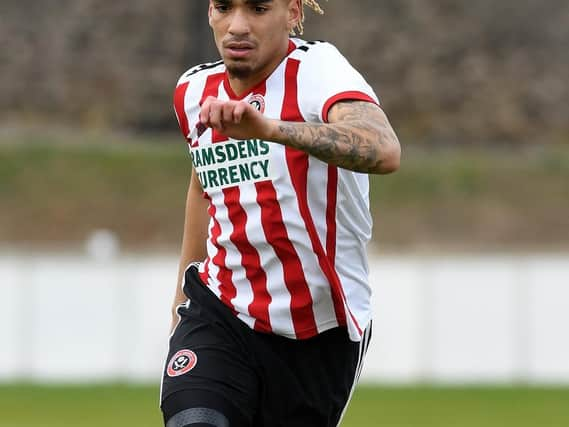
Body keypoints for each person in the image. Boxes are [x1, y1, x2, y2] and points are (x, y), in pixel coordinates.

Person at [160, 1, 401, 426]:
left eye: (257, 8)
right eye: (223, 7)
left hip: (320, 334)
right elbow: (204, 185)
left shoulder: (318, 70)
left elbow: (382, 147)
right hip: (220, 311)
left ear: (292, 13)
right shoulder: (193, 90)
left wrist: (270, 129)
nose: (237, 26)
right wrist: (181, 304)